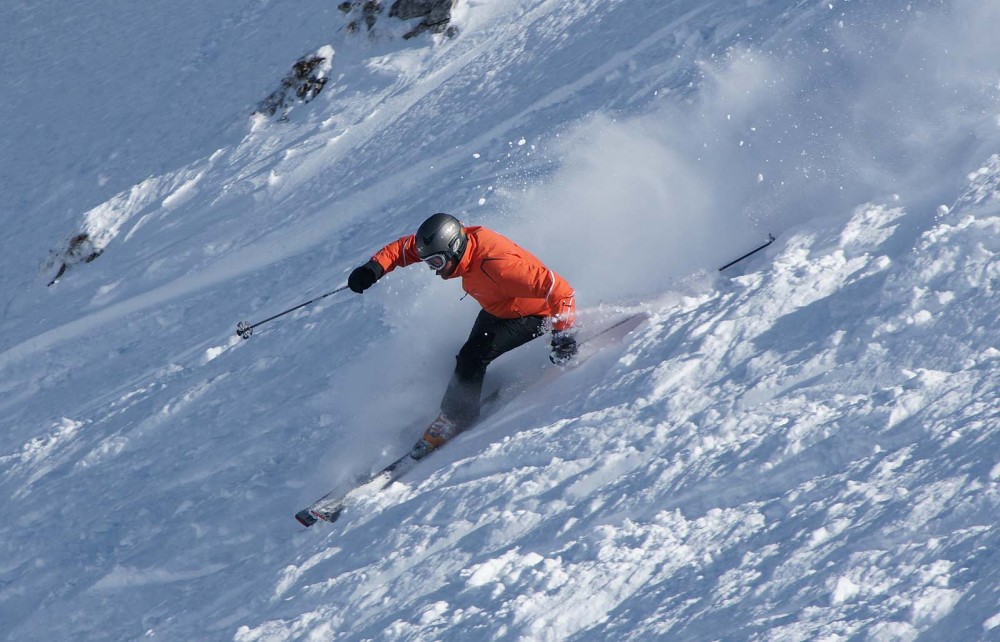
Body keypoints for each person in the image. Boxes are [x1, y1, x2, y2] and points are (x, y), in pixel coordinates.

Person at [347, 213, 578, 458]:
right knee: (467, 356)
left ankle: (456, 417)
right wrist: (373, 269)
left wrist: (563, 335)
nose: (434, 271)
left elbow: (560, 290)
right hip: (499, 307)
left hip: (531, 314)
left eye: (436, 263)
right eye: (429, 264)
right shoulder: (459, 246)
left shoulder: (497, 265)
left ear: (454, 248)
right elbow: (406, 248)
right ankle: (466, 395)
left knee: (473, 355)